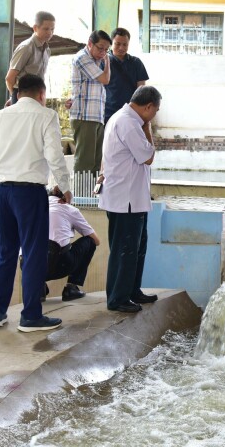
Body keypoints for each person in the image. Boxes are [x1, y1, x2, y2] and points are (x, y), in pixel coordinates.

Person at [0, 74, 71, 332]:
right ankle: (30, 316)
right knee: (33, 254)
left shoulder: (1, 115)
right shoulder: (46, 115)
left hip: (2, 191)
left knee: (5, 253)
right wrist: (65, 186)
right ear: (42, 94)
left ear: (18, 94)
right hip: (29, 193)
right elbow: (54, 154)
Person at [99, 85, 161, 313]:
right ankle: (118, 298)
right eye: (155, 111)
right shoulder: (128, 123)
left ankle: (132, 291)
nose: (154, 116)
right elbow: (148, 156)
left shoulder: (127, 120)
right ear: (147, 106)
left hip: (132, 198)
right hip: (125, 200)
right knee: (125, 249)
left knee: (136, 247)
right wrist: (148, 128)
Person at [67, 30, 112, 176]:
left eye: (106, 50)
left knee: (96, 162)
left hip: (96, 116)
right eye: (100, 48)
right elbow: (105, 79)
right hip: (85, 116)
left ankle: (91, 197)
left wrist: (104, 61)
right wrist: (108, 63)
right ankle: (80, 197)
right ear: (90, 43)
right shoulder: (82, 57)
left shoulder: (97, 61)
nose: (103, 53)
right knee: (85, 162)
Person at [45, 188, 100, 301]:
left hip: (28, 267)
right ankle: (72, 288)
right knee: (89, 242)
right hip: (57, 267)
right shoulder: (69, 209)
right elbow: (96, 240)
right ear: (66, 197)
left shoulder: (33, 207)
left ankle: (38, 288)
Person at [5, 11, 55, 107]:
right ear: (35, 28)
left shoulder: (47, 50)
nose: (50, 32)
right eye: (46, 29)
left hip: (38, 95)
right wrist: (14, 98)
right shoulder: (26, 47)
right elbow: (9, 78)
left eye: (52, 29)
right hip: (22, 96)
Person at [104, 27, 149, 125]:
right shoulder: (103, 62)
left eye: (125, 44)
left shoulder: (136, 63)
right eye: (118, 44)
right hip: (108, 113)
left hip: (130, 114)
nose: (121, 48)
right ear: (111, 43)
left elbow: (142, 90)